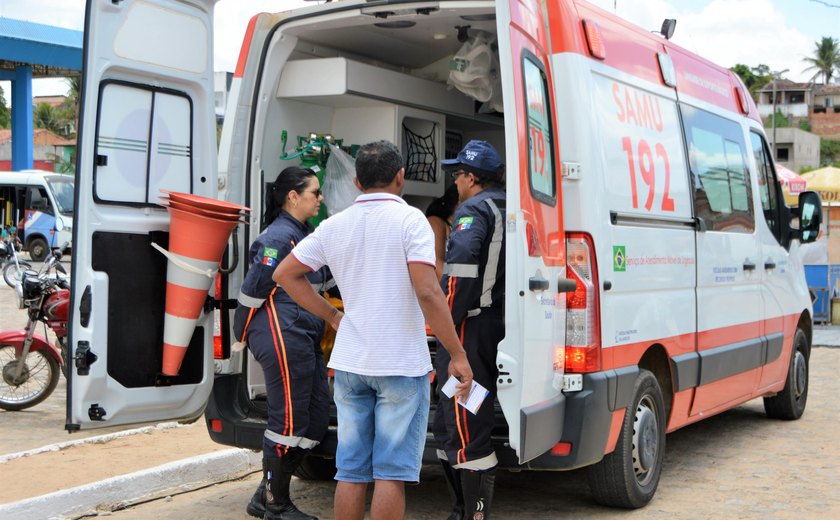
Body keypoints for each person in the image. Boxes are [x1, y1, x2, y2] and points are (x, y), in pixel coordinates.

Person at [273, 140, 473, 520]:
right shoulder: (411, 220)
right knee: (390, 473)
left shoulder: (335, 224)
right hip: (400, 365)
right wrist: (458, 354)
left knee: (350, 471)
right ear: (400, 177)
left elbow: (284, 274)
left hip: (350, 364)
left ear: (357, 181)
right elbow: (428, 291)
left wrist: (333, 318)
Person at [233, 166, 333, 520]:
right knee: (288, 421)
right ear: (293, 196)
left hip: (304, 334)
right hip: (281, 332)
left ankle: (267, 493)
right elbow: (253, 290)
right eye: (314, 193)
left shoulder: (307, 234)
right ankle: (275, 505)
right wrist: (240, 333)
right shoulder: (277, 239)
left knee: (316, 419)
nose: (320, 199)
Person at [433, 140, 506, 520]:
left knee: (462, 420)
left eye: (457, 174)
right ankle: (462, 510)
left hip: (469, 328)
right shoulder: (511, 206)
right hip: (498, 327)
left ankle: (470, 514)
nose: (455, 181)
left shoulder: (473, 210)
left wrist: (443, 323)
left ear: (472, 178)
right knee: (457, 417)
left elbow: (458, 275)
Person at [426, 184, 460, 281]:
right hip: (445, 288)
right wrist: (453, 290)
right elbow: (436, 262)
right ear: (458, 203)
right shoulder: (436, 222)